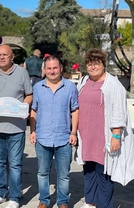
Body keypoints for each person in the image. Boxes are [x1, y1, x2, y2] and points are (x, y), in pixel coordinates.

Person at [76, 48, 134, 208]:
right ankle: (90, 202)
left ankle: (104, 205)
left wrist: (116, 136)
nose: (93, 67)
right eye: (89, 64)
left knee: (104, 173)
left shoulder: (113, 84)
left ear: (103, 64)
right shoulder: (84, 82)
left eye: (96, 64)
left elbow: (119, 112)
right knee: (89, 171)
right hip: (87, 136)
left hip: (104, 138)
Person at [0, 45, 32, 208]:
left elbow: (29, 95)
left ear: (12, 57)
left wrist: (23, 108)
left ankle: (14, 196)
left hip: (16, 128)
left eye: (5, 55)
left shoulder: (22, 73)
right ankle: (0, 192)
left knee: (15, 164)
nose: (1, 57)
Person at [29, 55, 78, 208]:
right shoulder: (37, 87)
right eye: (49, 68)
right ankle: (44, 200)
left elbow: (75, 110)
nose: (52, 71)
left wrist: (73, 132)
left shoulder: (70, 87)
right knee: (42, 173)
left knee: (64, 175)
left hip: (63, 137)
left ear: (61, 68)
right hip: (43, 137)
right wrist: (32, 130)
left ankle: (62, 201)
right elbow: (34, 110)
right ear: (44, 69)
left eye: (55, 68)